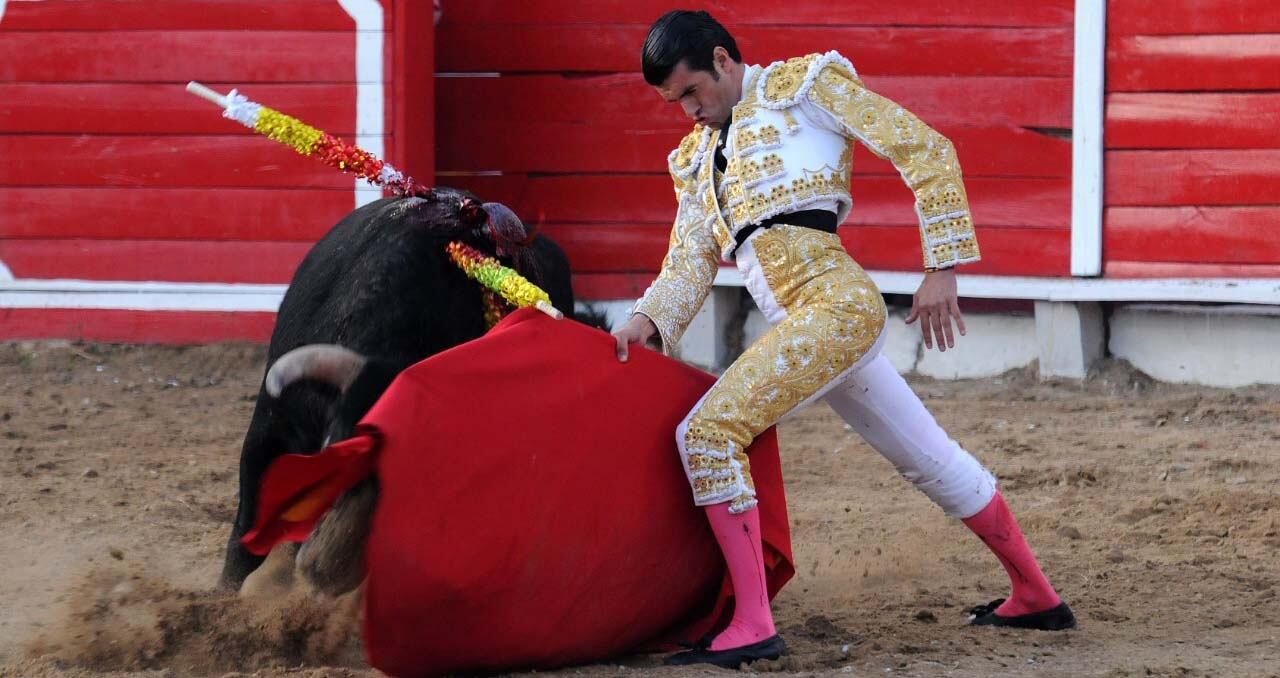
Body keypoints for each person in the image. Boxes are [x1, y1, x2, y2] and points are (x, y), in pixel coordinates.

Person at [611, 10, 1076, 668]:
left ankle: (752, 624)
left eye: (692, 91)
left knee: (707, 434)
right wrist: (647, 320)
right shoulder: (694, 160)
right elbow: (689, 262)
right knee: (929, 457)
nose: (688, 111)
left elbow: (924, 147)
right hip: (807, 329)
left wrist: (941, 267)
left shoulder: (804, 89)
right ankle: (1035, 594)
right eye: (674, 102)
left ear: (721, 59)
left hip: (836, 309)